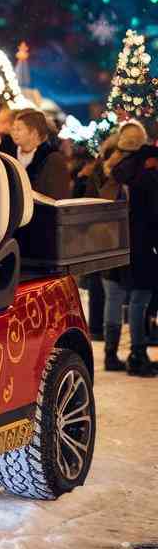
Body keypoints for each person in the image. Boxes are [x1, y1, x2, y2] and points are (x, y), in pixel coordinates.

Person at [109, 127, 158, 377]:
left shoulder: (122, 170)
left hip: (124, 241)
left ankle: (131, 353)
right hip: (145, 244)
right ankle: (138, 354)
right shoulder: (148, 175)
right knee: (140, 298)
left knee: (131, 298)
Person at [11, 109, 71, 199]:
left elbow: (58, 197)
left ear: (34, 133)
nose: (14, 133)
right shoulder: (8, 154)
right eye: (13, 129)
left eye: (18, 129)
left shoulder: (52, 159)